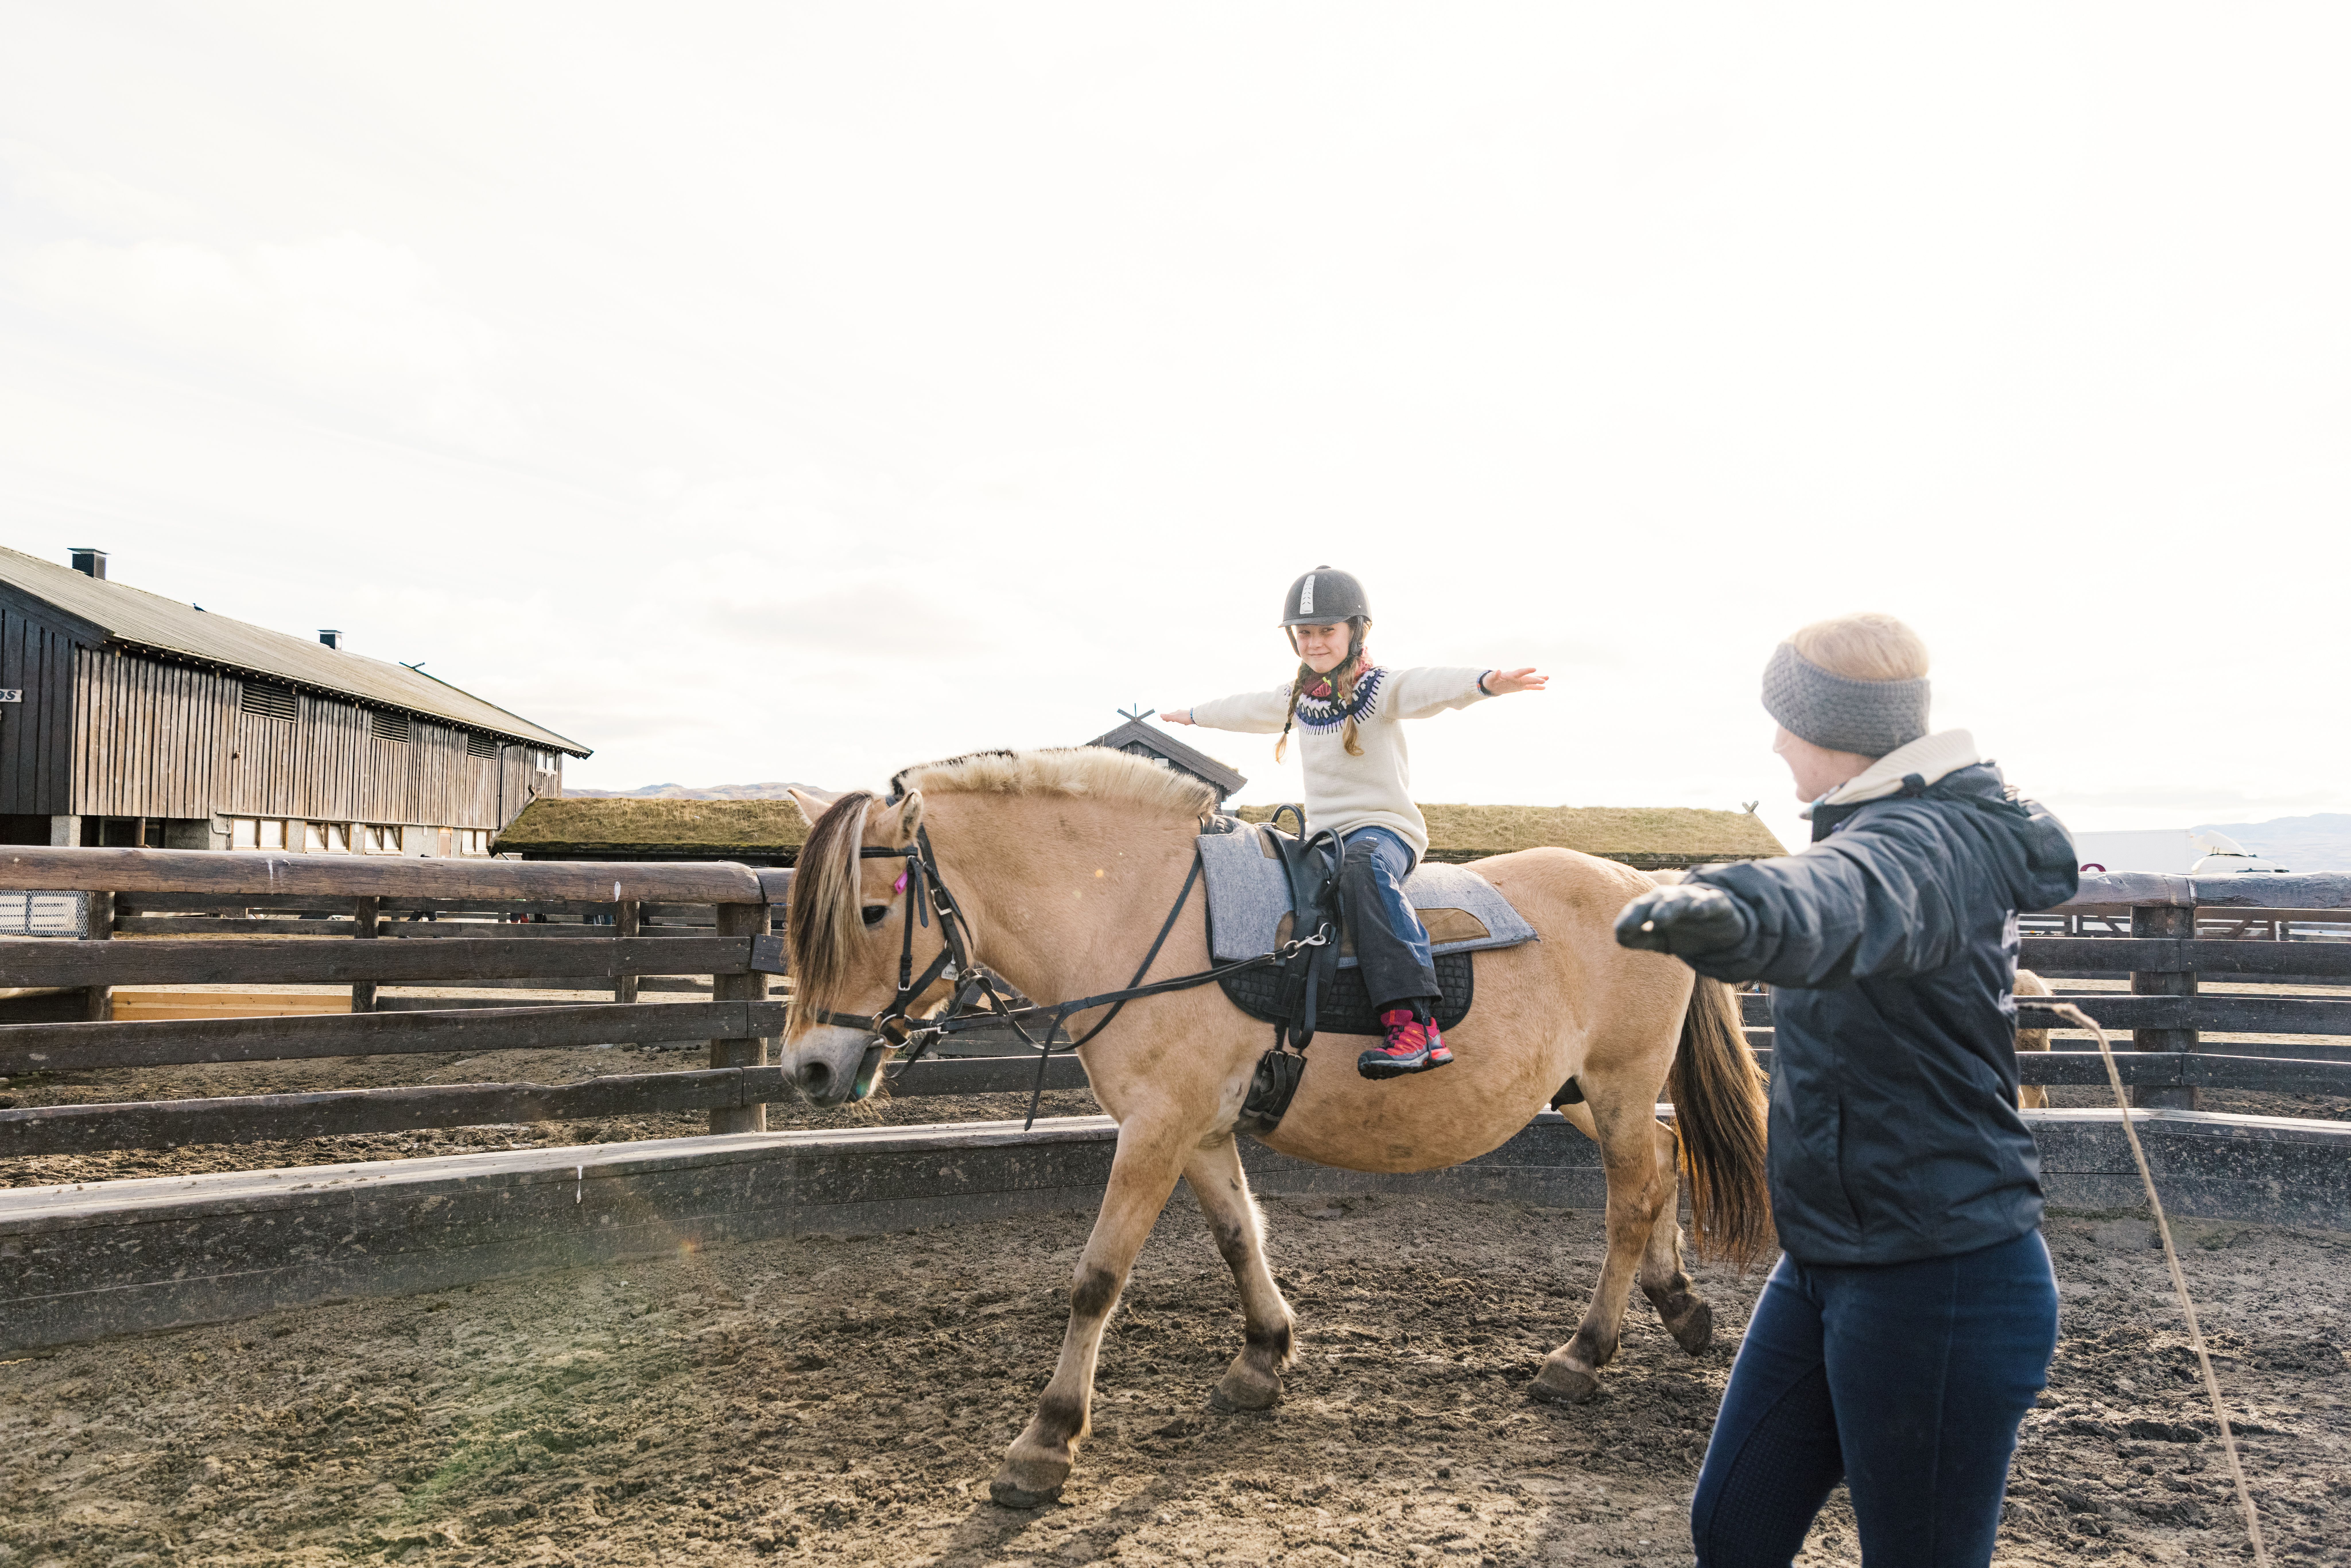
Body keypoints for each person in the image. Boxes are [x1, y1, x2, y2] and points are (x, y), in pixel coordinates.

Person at [1613, 612, 2078, 1568]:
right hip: (1830, 1257)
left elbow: (1841, 896)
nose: (1777, 743)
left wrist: (1740, 905)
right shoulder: (1888, 824)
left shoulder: (1923, 842)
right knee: (1734, 1529)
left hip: (1940, 1275)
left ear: (1841, 729)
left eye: (1789, 722)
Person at [1161, 566, 1545, 1078]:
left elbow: (1425, 687)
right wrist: (1193, 715)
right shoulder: (1298, 699)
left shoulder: (1379, 688)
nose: (1315, 643)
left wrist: (1484, 683)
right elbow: (1245, 708)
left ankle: (1415, 1023)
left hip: (1384, 834)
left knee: (1363, 867)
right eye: (1305, 633)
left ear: (1355, 631)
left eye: (1327, 631)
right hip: (1326, 840)